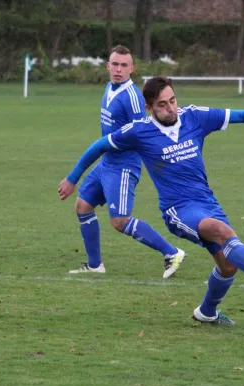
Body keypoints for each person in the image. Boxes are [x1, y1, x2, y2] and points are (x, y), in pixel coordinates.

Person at [58, 76, 244, 326]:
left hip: (207, 203)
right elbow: (99, 146)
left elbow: (243, 114)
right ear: (149, 108)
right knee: (222, 232)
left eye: (173, 100)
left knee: (228, 265)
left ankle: (206, 312)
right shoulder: (139, 132)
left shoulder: (194, 117)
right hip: (177, 210)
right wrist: (72, 178)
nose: (171, 108)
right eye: (162, 104)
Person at [68, 45, 185, 278]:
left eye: (124, 65)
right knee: (83, 206)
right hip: (106, 163)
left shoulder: (131, 97)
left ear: (132, 69)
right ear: (107, 65)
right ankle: (95, 265)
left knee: (120, 221)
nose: (118, 69)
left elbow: (143, 131)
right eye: (115, 64)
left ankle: (172, 252)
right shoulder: (109, 88)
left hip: (123, 167)